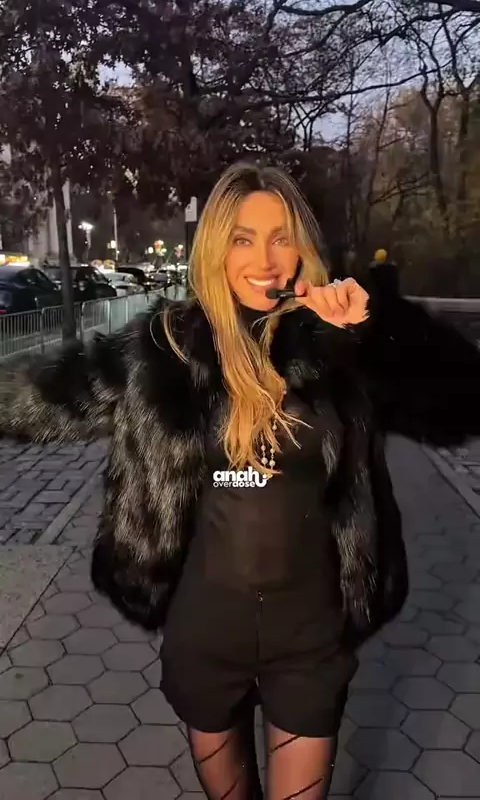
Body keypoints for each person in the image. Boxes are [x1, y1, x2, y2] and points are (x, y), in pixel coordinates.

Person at [1, 161, 480, 799]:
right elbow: (32, 399)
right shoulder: (164, 351)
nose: (265, 260)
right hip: (205, 633)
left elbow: (462, 402)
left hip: (310, 637)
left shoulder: (338, 346)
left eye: (282, 237)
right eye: (242, 239)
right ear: (214, 249)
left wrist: (377, 332)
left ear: (303, 246)